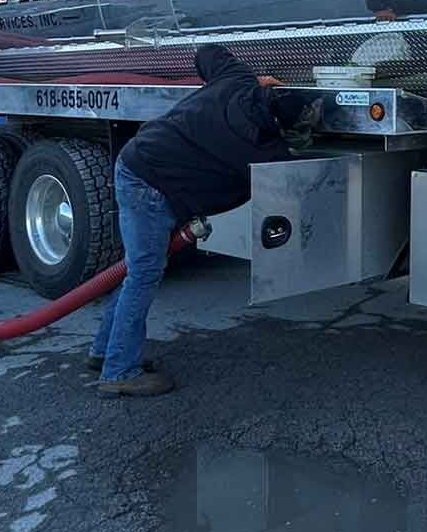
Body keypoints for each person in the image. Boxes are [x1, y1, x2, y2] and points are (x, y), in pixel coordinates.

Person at [89, 44, 306, 397]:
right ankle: (118, 373)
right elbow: (284, 186)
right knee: (143, 272)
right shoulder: (265, 153)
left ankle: (105, 352)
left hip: (137, 162)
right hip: (150, 185)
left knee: (138, 269)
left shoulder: (236, 79)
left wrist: (252, 79)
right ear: (279, 129)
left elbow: (207, 52)